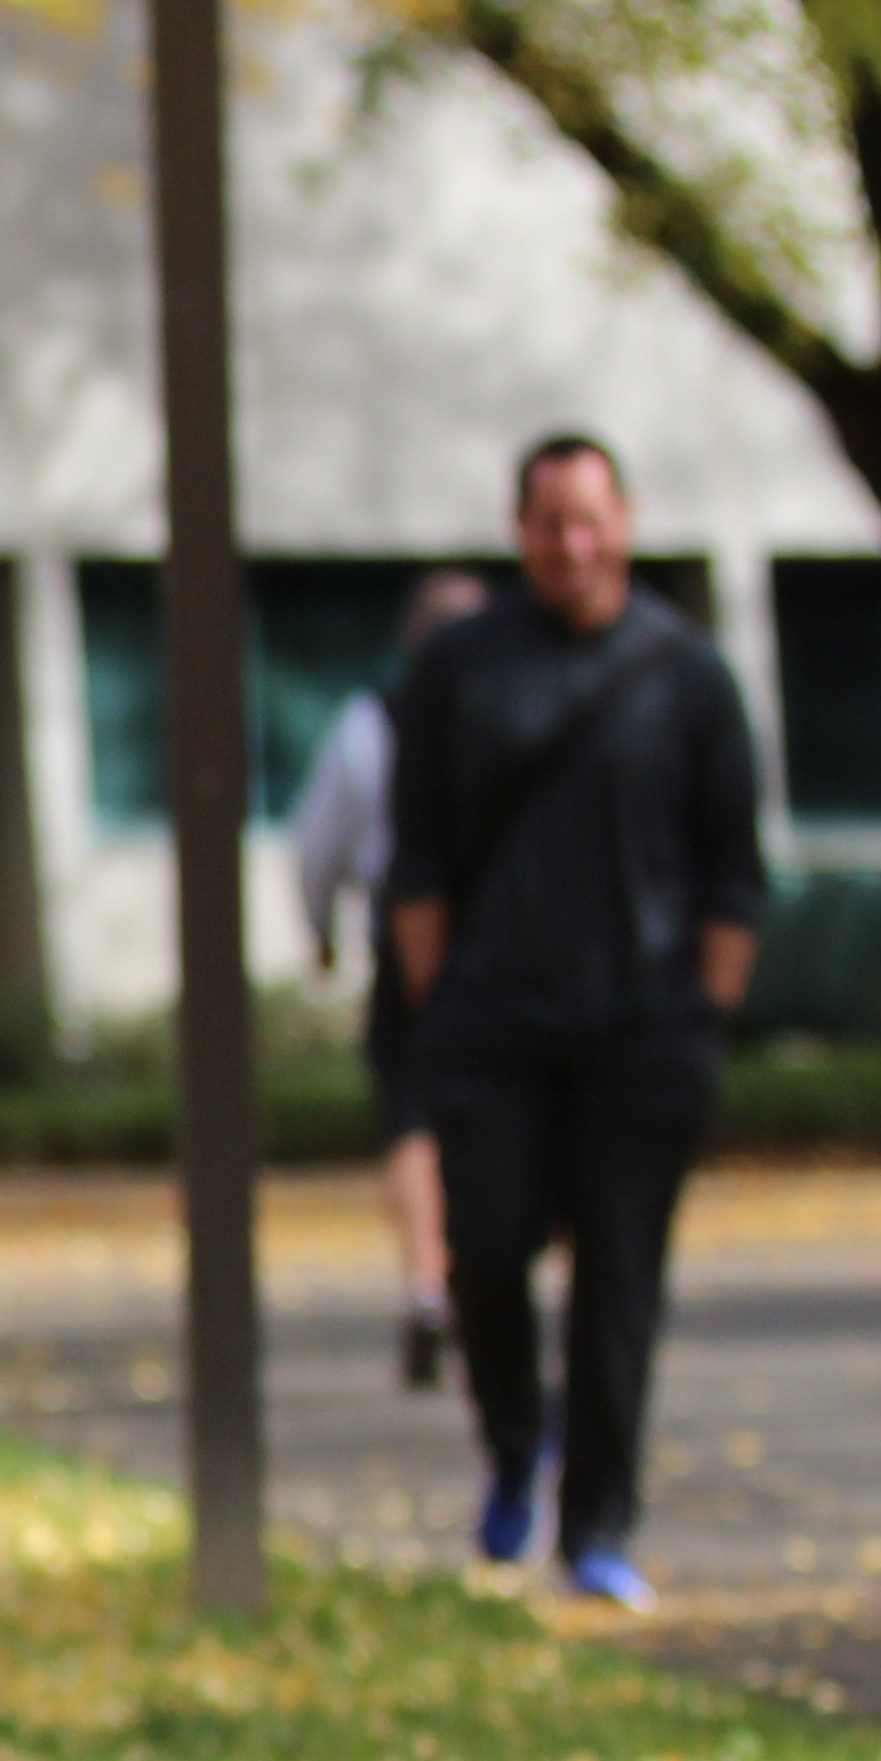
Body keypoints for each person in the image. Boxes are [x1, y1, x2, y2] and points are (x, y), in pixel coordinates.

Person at [385, 434, 764, 1611]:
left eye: (591, 520)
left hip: (642, 1032)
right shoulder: (461, 669)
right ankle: (513, 1442)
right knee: (485, 1256)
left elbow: (733, 870)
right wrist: (438, 1002)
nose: (572, 545)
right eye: (550, 523)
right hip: (495, 1025)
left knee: (619, 1285)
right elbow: (420, 857)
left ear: (627, 522)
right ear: (519, 531)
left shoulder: (687, 675)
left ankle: (598, 1528)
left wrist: (703, 1016)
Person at [290, 569, 487, 1390]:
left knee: (410, 1120)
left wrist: (323, 934)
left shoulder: (369, 724)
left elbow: (316, 846)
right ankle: (471, 1279)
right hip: (494, 949)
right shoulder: (511, 715)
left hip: (409, 944)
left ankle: (427, 1277)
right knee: (480, 1121)